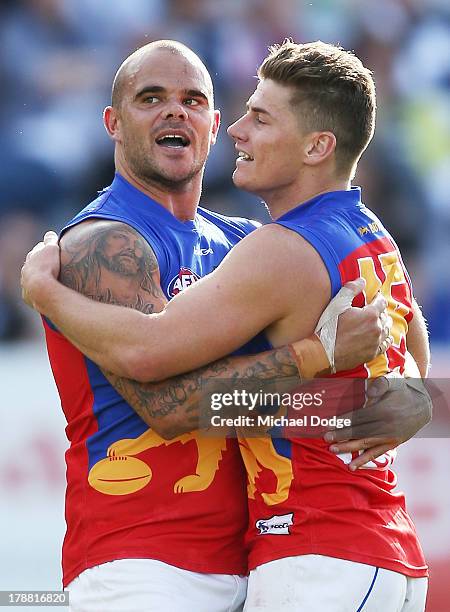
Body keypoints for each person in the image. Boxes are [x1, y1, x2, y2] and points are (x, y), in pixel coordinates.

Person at [21, 40, 431, 611]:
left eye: (192, 100)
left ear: (213, 126)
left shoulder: (248, 246)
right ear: (113, 123)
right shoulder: (102, 242)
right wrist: (317, 354)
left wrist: (412, 394)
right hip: (143, 562)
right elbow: (168, 408)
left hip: (261, 553)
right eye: (151, 98)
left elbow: (395, 339)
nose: (174, 111)